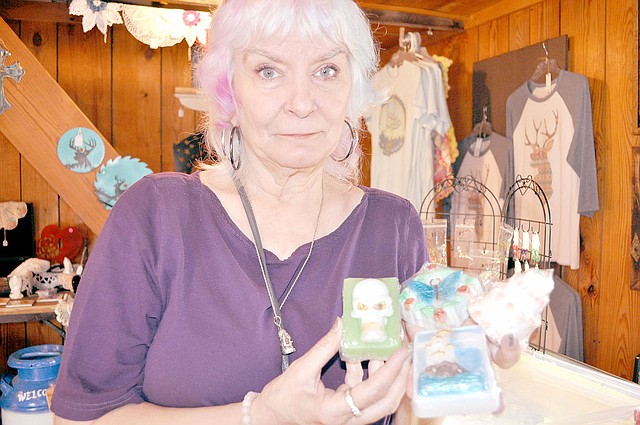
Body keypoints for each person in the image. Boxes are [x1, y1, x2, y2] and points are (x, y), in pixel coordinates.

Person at [51, 0, 519, 424]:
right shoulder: (155, 217)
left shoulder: (393, 227)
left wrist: (451, 372)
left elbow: (406, 413)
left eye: (327, 71)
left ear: (353, 89)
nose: (301, 103)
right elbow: (76, 421)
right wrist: (259, 415)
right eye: (269, 71)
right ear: (228, 91)